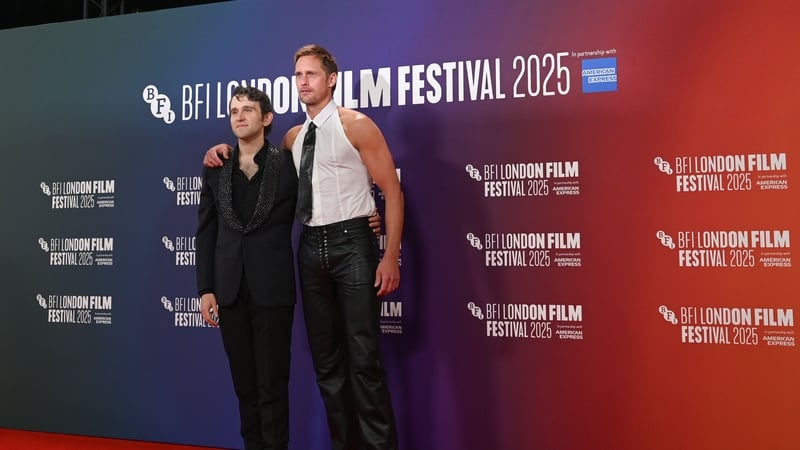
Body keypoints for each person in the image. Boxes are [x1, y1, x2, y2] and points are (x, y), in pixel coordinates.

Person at [204, 44, 403, 450]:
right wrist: (217, 151)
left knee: (364, 361)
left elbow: (393, 192)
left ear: (331, 79)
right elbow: (254, 171)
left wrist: (387, 253)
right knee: (327, 366)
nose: (303, 82)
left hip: (353, 246)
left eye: (311, 74)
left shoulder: (357, 125)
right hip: (311, 249)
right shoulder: (292, 140)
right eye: (298, 75)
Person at [196, 85, 297, 450]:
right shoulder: (216, 167)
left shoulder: (288, 165)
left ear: (266, 119)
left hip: (273, 289)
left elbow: (323, 203)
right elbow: (205, 232)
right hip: (229, 289)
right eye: (234, 110)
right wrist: (206, 288)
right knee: (245, 386)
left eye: (248, 110)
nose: (239, 116)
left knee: (272, 385)